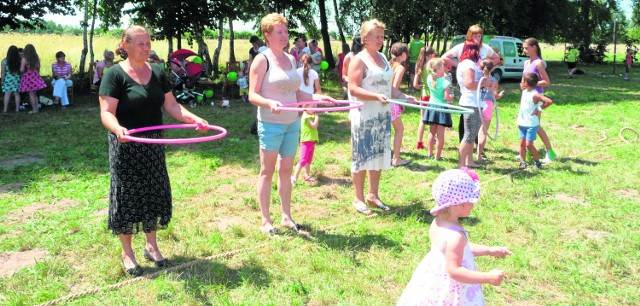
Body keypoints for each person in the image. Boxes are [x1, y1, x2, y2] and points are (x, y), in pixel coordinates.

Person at [99, 25, 210, 276]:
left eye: (148, 43)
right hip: (126, 144)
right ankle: (127, 252)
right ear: (125, 46)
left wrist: (195, 119)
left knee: (153, 191)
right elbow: (106, 112)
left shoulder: (158, 72)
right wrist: (118, 129)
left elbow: (172, 106)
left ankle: (152, 245)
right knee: (128, 195)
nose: (146, 48)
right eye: (140, 43)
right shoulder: (114, 75)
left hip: (153, 144)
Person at [248, 13, 334, 236]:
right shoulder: (262, 60)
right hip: (271, 123)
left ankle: (286, 216)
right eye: (280, 32)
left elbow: (296, 93)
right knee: (267, 171)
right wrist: (269, 102)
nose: (285, 36)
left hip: (292, 123)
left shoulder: (292, 59)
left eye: (286, 31)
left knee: (286, 171)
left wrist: (317, 98)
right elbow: (252, 95)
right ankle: (266, 220)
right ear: (267, 35)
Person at [397, 168, 511, 305]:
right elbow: (455, 270)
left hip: (436, 279)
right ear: (459, 204)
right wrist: (488, 277)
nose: (474, 204)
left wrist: (489, 250)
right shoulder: (455, 236)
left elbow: (460, 250)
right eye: (471, 201)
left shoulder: (438, 222)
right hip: (454, 288)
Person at [348, 19, 416, 215]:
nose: (381, 40)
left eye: (382, 36)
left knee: (377, 155)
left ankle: (373, 195)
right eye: (376, 36)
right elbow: (353, 87)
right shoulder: (359, 60)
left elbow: (389, 87)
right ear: (365, 38)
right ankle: (358, 198)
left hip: (381, 115)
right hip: (364, 115)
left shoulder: (384, 59)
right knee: (362, 157)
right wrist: (376, 96)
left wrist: (402, 96)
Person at [456, 41, 492, 169]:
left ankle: (469, 161)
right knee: (469, 135)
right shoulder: (468, 64)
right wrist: (485, 84)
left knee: (472, 134)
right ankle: (461, 165)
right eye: (479, 50)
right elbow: (469, 84)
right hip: (471, 103)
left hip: (475, 102)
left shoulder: (470, 64)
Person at [522, 37, 555, 163]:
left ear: (534, 47)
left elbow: (546, 81)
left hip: (536, 97)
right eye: (524, 48)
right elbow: (523, 79)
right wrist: (523, 85)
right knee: (526, 124)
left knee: (535, 126)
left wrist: (532, 85)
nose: (524, 50)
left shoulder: (538, 63)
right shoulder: (526, 63)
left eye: (526, 48)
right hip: (526, 97)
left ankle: (550, 152)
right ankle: (528, 150)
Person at [518, 73, 553, 170]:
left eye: (523, 81)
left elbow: (549, 101)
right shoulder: (525, 91)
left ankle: (537, 162)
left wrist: (539, 109)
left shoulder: (535, 94)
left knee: (529, 145)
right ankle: (523, 162)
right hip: (522, 123)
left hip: (531, 124)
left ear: (526, 83)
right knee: (522, 143)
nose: (521, 82)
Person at [424, 57, 454, 160]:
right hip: (442, 108)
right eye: (443, 66)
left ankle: (429, 154)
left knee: (432, 132)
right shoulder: (445, 82)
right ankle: (437, 156)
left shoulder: (429, 78)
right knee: (440, 134)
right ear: (440, 68)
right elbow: (446, 97)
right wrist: (451, 98)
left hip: (432, 106)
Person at [476, 58, 504, 162]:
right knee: (483, 132)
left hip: (476, 104)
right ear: (492, 68)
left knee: (474, 130)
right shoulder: (494, 81)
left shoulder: (477, 78)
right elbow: (495, 96)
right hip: (487, 105)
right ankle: (479, 156)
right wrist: (500, 95)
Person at [389, 42, 411, 167]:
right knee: (399, 129)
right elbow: (394, 88)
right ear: (403, 54)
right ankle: (396, 159)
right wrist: (404, 99)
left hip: (382, 101)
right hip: (391, 102)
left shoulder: (388, 63)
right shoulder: (400, 68)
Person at [412, 46, 437, 150]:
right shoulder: (431, 67)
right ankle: (432, 139)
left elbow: (415, 84)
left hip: (423, 95)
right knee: (433, 120)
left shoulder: (420, 66)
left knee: (422, 120)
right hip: (432, 95)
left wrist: (422, 86)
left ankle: (419, 142)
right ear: (430, 55)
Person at [292, 109, 319, 185]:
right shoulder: (306, 116)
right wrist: (316, 117)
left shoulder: (310, 115)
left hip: (311, 141)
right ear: (305, 107)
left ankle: (307, 175)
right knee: (302, 160)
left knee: (308, 160)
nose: (314, 108)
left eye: (315, 106)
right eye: (312, 106)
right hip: (306, 141)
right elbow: (314, 126)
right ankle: (294, 177)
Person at [18, 44, 47, 114]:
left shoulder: (24, 59)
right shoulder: (36, 58)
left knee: (31, 94)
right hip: (36, 76)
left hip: (28, 77)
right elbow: (39, 68)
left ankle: (34, 110)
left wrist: (24, 71)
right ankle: (36, 108)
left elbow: (21, 70)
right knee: (35, 94)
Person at [2, 45, 21, 113]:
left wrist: (2, 81)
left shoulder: (4, 61)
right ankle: (17, 109)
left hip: (8, 79)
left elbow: (3, 73)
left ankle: (5, 109)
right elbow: (21, 71)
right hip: (17, 79)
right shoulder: (20, 60)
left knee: (7, 94)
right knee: (17, 94)